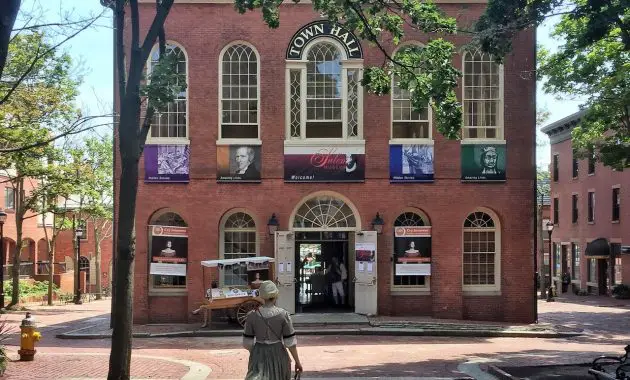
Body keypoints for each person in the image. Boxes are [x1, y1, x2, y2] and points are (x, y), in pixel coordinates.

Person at [243, 281, 303, 380]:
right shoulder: (284, 315)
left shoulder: (251, 316)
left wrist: (256, 353)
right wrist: (297, 362)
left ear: (262, 296)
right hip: (278, 353)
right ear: (275, 296)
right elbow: (290, 343)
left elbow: (247, 343)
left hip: (258, 353)